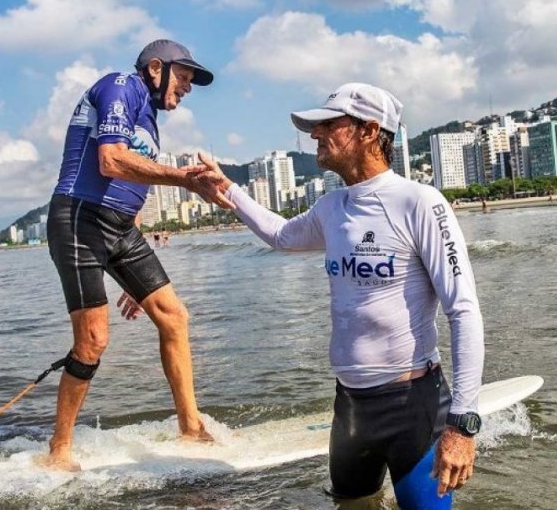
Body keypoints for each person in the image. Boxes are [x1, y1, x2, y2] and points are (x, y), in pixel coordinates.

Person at [192, 83, 485, 507]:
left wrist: (462, 425)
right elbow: (280, 234)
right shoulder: (332, 208)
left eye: (329, 124)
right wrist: (229, 190)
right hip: (350, 407)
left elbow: (464, 311)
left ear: (369, 131)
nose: (315, 135)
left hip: (412, 406)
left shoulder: (419, 202)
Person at [44, 39, 232, 471]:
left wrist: (135, 277)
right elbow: (111, 162)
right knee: (92, 340)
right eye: (182, 78)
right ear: (155, 68)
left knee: (173, 315)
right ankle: (59, 448)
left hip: (123, 229)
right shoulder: (120, 87)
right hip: (79, 217)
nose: (186, 89)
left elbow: (135, 184)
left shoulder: (147, 117)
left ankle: (190, 426)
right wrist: (185, 179)